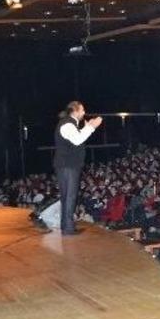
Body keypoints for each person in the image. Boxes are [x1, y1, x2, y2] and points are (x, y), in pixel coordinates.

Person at [53, 101, 102, 235]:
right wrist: (92, 127)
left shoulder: (69, 124)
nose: (84, 112)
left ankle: (66, 225)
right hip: (68, 166)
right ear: (75, 110)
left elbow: (75, 138)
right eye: (82, 110)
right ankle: (68, 228)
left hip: (65, 165)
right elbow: (77, 140)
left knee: (66, 196)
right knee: (70, 196)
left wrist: (84, 129)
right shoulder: (68, 123)